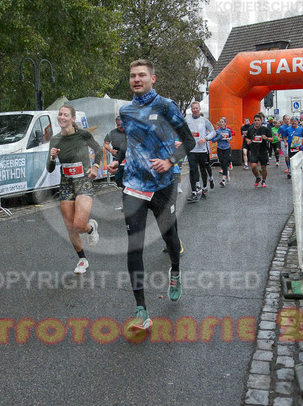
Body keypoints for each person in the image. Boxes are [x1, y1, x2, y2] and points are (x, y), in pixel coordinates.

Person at [107, 59, 195, 329]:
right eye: (133, 75)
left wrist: (169, 161)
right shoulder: (126, 110)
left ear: (152, 78)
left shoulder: (166, 106)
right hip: (134, 186)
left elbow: (189, 141)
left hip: (162, 185)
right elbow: (131, 141)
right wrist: (118, 161)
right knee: (134, 246)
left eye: (142, 75)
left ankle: (175, 271)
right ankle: (141, 310)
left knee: (170, 238)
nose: (136, 79)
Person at [47, 104, 102, 275]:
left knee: (79, 224)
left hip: (83, 182)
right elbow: (49, 168)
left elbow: (98, 150)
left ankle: (90, 228)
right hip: (66, 184)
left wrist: (95, 167)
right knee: (70, 226)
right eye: (60, 114)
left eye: (65, 115)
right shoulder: (55, 140)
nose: (62, 117)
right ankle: (82, 259)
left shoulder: (83, 135)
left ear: (72, 119)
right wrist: (52, 158)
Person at [185, 101, 216, 202]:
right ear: (191, 109)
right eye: (193, 108)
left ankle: (204, 189)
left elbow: (213, 132)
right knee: (192, 171)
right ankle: (194, 192)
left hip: (202, 150)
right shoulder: (187, 121)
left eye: (196, 108)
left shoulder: (204, 120)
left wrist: (205, 139)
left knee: (203, 170)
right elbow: (184, 133)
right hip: (192, 150)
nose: (195, 110)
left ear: (199, 109)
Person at [245, 113, 273, 187]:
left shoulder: (265, 129)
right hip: (254, 151)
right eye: (255, 120)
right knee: (253, 166)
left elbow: (272, 139)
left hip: (263, 150)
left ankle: (263, 181)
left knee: (263, 167)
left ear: (261, 121)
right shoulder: (250, 129)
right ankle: (257, 177)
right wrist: (248, 141)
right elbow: (247, 138)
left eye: (258, 120)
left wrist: (266, 138)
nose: (257, 122)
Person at [103, 115, 127, 188]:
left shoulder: (130, 132)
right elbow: (105, 144)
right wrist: (111, 150)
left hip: (129, 159)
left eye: (122, 125)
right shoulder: (112, 133)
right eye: (118, 125)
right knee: (119, 180)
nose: (120, 127)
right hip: (117, 159)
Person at [211, 117, 232, 187]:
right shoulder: (217, 131)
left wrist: (229, 139)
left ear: (225, 123)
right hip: (220, 148)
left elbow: (231, 137)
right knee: (221, 162)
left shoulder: (228, 130)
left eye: (222, 122)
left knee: (225, 162)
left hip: (227, 148)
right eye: (220, 122)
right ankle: (226, 172)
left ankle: (223, 180)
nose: (221, 123)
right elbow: (213, 140)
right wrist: (219, 137)